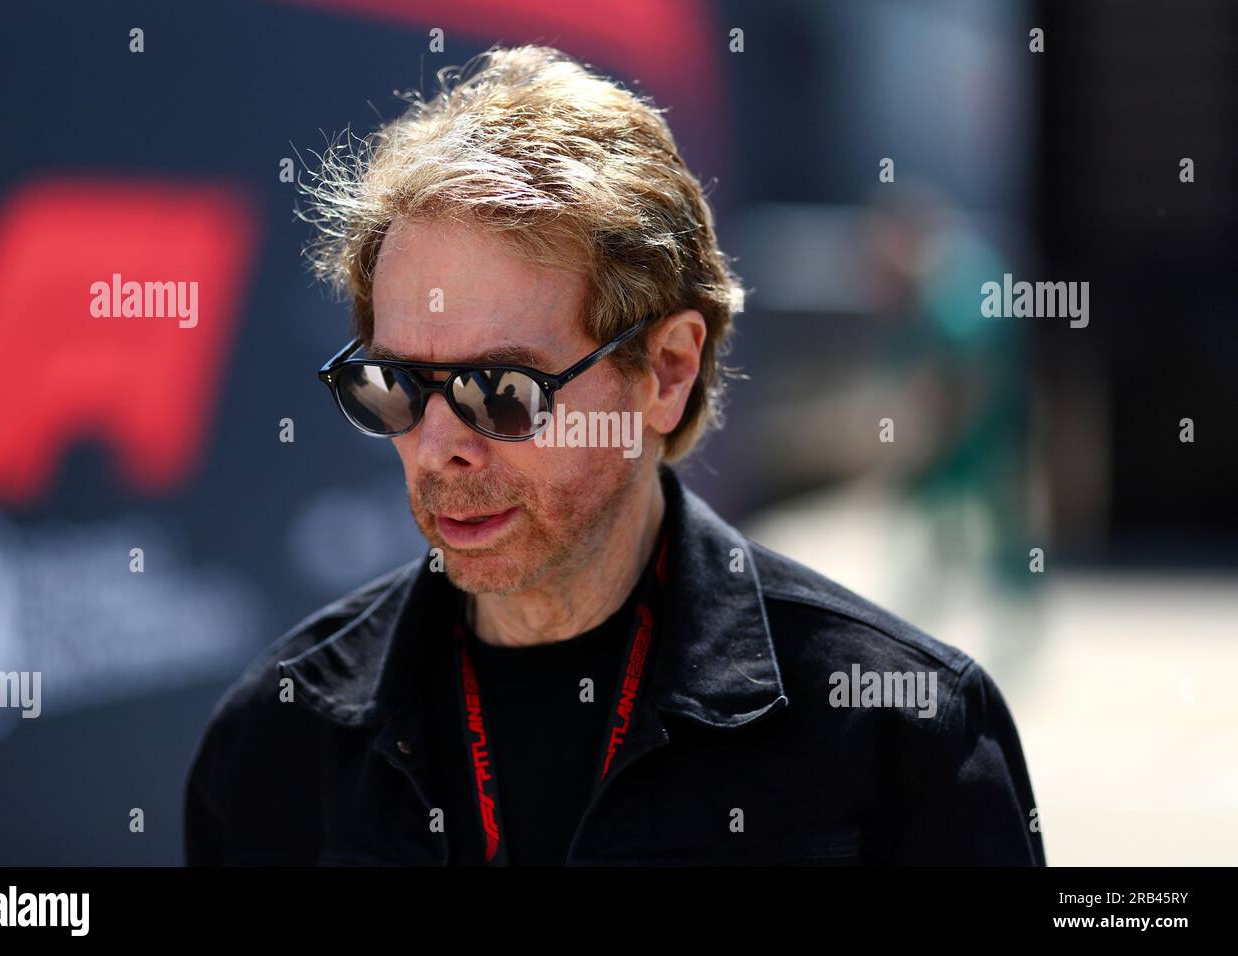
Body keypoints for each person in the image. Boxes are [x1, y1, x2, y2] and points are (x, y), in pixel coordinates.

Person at [183, 44, 1044, 866]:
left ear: (666, 373)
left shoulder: (905, 738)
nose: (439, 449)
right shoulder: (274, 744)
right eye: (398, 385)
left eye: (502, 390)